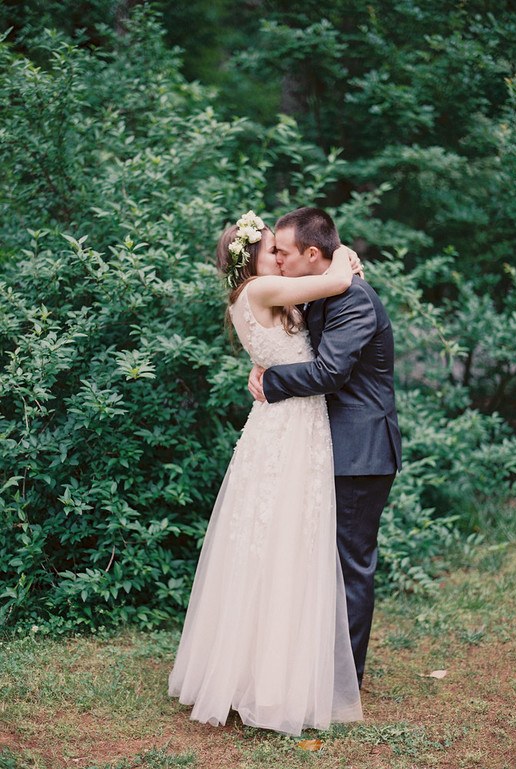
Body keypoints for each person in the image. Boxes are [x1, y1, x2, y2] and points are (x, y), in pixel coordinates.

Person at [168, 210, 363, 736]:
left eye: (281, 249)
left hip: (279, 423)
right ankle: (269, 683)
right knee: (283, 543)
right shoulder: (261, 288)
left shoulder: (251, 295)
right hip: (292, 427)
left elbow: (298, 325)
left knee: (270, 542)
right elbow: (337, 280)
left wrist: (268, 368)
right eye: (272, 248)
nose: (279, 255)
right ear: (251, 256)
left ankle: (256, 672)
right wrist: (345, 253)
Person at [248, 207, 402, 688]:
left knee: (351, 563)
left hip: (362, 449)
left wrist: (272, 380)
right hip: (328, 445)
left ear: (313, 254)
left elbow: (329, 373)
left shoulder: (353, 298)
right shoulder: (322, 291)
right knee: (321, 558)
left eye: (284, 253)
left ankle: (343, 680)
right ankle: (315, 665)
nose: (277, 260)